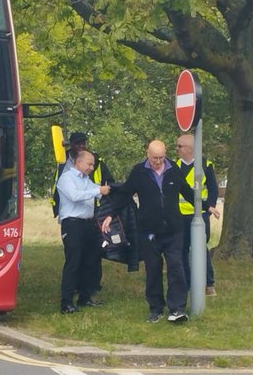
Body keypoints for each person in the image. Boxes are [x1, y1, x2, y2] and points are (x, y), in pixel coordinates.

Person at [103, 140, 194, 323]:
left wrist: (206, 207)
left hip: (173, 229)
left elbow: (187, 191)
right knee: (153, 269)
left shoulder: (173, 170)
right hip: (148, 231)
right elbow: (124, 194)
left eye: (161, 158)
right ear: (147, 154)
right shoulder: (139, 172)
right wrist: (110, 215)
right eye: (154, 158)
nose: (158, 162)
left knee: (176, 267)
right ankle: (156, 308)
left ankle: (177, 309)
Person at [52, 132, 115, 299]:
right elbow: (75, 196)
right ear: (79, 163)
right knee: (73, 262)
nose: (92, 168)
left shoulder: (85, 179)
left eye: (93, 165)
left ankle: (85, 297)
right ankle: (66, 301)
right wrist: (97, 190)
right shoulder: (66, 178)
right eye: (89, 164)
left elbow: (98, 192)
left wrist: (112, 191)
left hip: (88, 223)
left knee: (90, 260)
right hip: (72, 225)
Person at [174, 134, 220, 297]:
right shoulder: (175, 166)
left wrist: (211, 207)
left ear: (191, 149)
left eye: (180, 146)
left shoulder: (206, 165)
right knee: (181, 249)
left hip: (200, 214)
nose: (177, 150)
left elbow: (213, 188)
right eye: (177, 146)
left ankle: (208, 284)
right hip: (180, 215)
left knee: (200, 249)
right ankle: (186, 283)